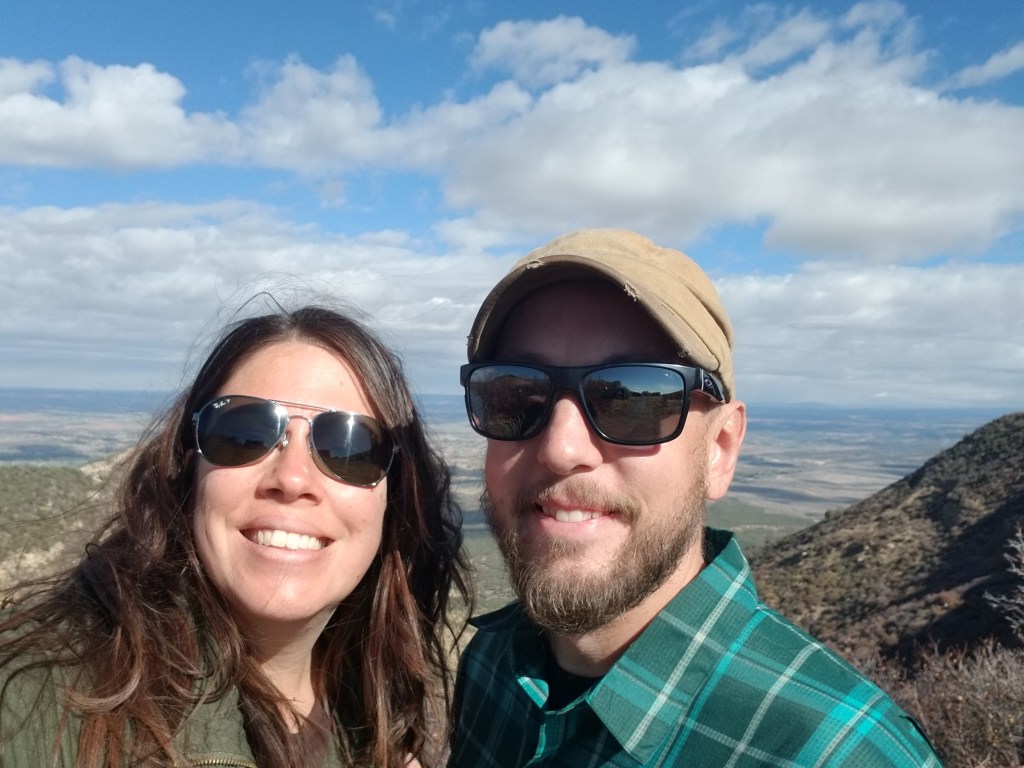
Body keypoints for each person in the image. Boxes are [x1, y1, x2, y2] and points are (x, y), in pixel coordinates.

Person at [448, 229, 941, 766]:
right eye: (516, 395)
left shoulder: (837, 752)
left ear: (720, 450)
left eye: (634, 398)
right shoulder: (492, 662)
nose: (561, 449)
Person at [0, 304, 471, 767]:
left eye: (349, 447)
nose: (291, 478)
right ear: (189, 470)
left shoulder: (382, 713)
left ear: (396, 501)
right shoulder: (35, 702)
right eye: (243, 433)